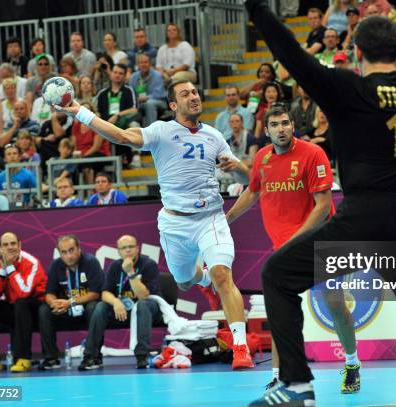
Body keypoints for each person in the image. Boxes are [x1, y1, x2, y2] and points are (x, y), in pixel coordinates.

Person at [245, 0, 396, 405]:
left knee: (279, 275)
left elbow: (290, 54)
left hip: (363, 224)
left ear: (356, 52)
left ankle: (298, 385)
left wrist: (256, 7)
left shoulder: (346, 89)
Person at [55, 79, 256, 370]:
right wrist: (79, 112)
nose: (194, 97)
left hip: (210, 217)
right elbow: (122, 136)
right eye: (185, 94)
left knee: (223, 275)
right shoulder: (161, 131)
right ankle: (203, 280)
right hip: (175, 224)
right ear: (173, 105)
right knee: (185, 281)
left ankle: (240, 348)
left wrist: (239, 168)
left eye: (196, 92)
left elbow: (248, 182)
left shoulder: (214, 136)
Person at [226, 106, 362, 393]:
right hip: (284, 247)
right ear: (268, 129)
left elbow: (323, 204)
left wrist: (296, 241)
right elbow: (252, 191)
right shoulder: (262, 157)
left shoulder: (313, 154)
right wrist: (226, 220)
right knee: (280, 310)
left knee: (335, 305)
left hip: (320, 241)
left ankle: (351, 363)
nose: (281, 129)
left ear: (292, 125)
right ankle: (279, 375)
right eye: (274, 124)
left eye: (285, 123)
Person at [81, 235, 162, 370]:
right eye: (124, 248)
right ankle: (91, 356)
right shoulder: (115, 266)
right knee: (100, 306)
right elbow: (105, 292)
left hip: (149, 308)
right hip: (123, 310)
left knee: (142, 305)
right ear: (118, 251)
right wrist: (115, 302)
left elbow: (143, 296)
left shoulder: (148, 264)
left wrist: (130, 272)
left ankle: (142, 356)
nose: (128, 250)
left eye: (131, 247)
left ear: (138, 249)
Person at [0, 233, 47, 373]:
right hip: (16, 308)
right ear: (0, 248)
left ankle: (23, 358)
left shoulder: (31, 262)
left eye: (13, 244)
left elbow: (24, 292)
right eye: (5, 245)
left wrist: (10, 269)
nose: (10, 248)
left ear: (20, 245)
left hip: (36, 310)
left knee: (21, 303)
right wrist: (2, 271)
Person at [38, 235, 103, 370]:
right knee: (44, 310)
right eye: (64, 252)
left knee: (94, 308)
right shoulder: (56, 266)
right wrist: (54, 303)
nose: (69, 255)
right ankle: (51, 358)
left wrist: (70, 302)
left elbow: (95, 293)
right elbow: (49, 292)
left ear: (79, 249)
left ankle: (93, 357)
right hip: (66, 308)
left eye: (71, 250)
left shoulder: (91, 262)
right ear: (60, 253)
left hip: (86, 307)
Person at [128, 53, 168, 126]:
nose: (144, 64)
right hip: (139, 103)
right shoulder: (133, 77)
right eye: (141, 62)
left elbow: (159, 94)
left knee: (149, 103)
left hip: (159, 102)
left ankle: (151, 130)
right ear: (137, 65)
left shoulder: (157, 75)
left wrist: (146, 98)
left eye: (146, 62)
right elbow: (131, 94)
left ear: (150, 64)